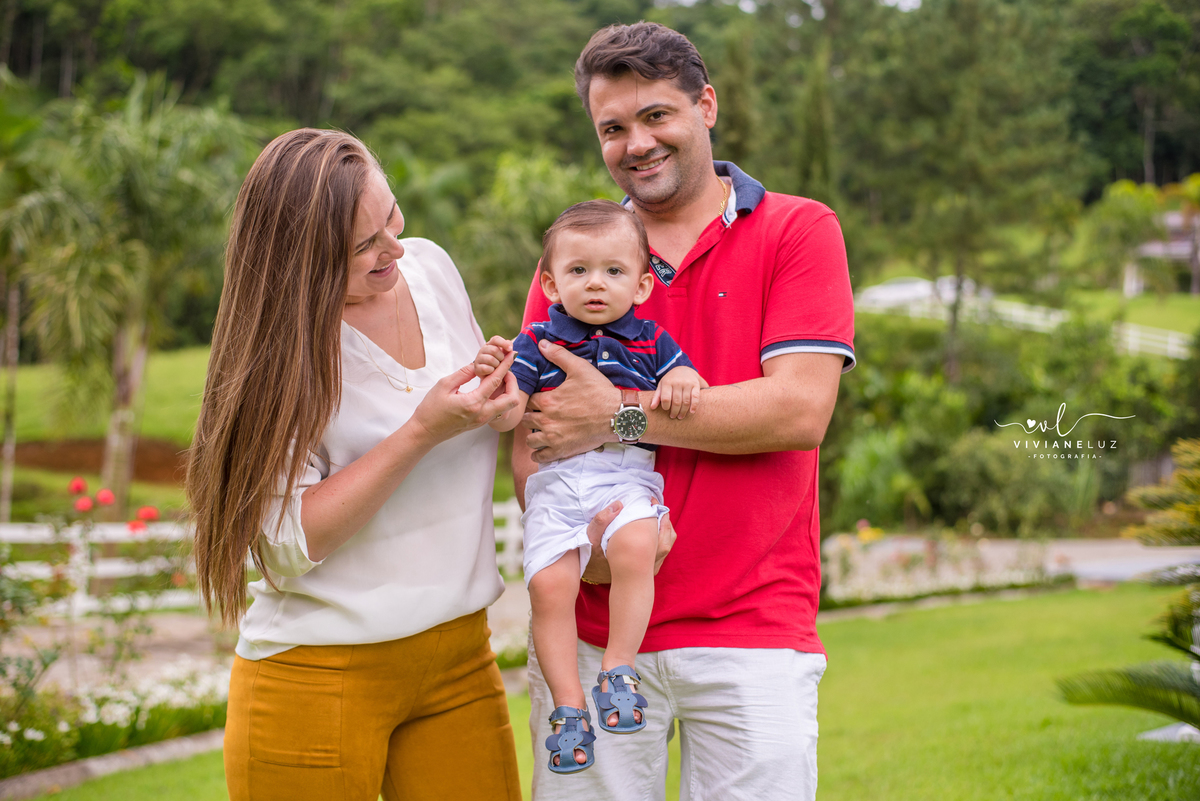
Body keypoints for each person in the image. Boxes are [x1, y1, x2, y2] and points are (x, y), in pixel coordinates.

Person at [514, 22, 856, 801]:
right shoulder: (581, 255)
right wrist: (584, 553)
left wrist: (619, 416)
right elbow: (537, 440)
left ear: (706, 106)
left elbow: (798, 410)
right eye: (612, 127)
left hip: (752, 629)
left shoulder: (797, 230)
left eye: (656, 116)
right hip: (597, 635)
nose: (636, 143)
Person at [185, 128, 526, 801]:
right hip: (317, 673)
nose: (393, 247)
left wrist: (501, 406)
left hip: (460, 657)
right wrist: (420, 431)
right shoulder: (279, 358)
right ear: (301, 265)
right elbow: (284, 547)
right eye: (365, 246)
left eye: (392, 216)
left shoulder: (430, 270)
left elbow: (467, 413)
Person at [477, 199, 703, 774]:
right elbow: (510, 418)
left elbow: (685, 382)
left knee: (633, 546)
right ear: (551, 285)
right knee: (549, 589)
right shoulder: (536, 342)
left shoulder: (652, 341)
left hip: (622, 475)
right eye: (578, 271)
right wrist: (496, 385)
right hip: (556, 484)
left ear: (643, 286)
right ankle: (569, 708)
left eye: (613, 271)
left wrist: (677, 379)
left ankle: (617, 668)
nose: (595, 284)